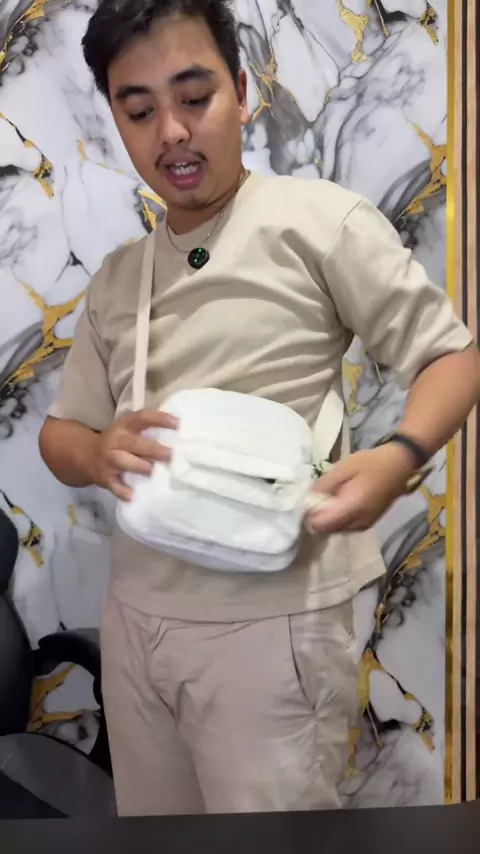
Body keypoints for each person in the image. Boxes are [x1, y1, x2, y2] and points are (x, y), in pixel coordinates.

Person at [39, 0, 479, 817]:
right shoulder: (117, 278)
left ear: (242, 93)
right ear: (116, 121)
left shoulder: (320, 224)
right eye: (139, 111)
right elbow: (60, 434)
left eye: (194, 97)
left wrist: (399, 458)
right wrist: (96, 455)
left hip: (273, 626)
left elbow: (452, 357)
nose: (172, 132)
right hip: (136, 620)